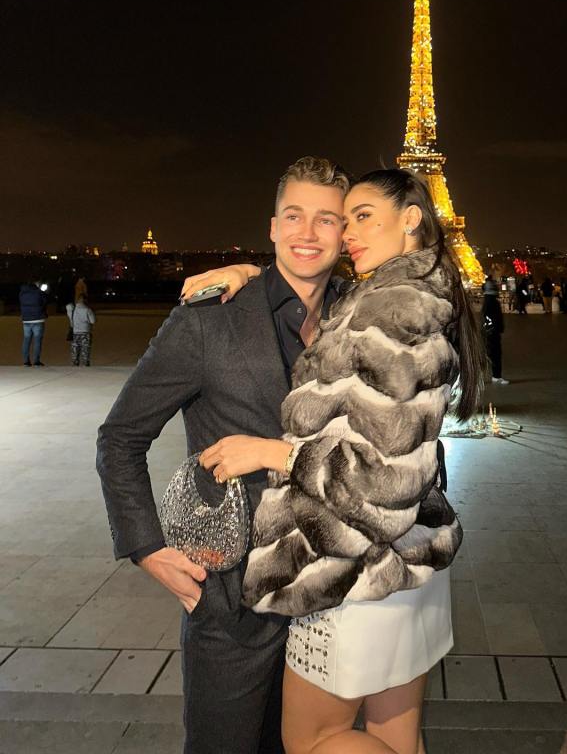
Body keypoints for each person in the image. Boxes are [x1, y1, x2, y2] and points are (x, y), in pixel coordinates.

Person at [183, 168, 484, 754]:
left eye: (363, 216)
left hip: (351, 573)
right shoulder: (413, 297)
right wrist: (253, 275)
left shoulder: (392, 314)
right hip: (404, 570)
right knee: (394, 739)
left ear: (413, 217)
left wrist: (270, 451)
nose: (347, 232)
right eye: (345, 220)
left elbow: (382, 475)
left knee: (313, 740)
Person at [97, 157, 351, 754]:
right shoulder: (208, 322)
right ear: (271, 227)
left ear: (347, 234)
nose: (308, 233)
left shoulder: (359, 320)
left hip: (333, 596)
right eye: (294, 216)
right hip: (232, 596)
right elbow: (121, 436)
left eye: (326, 220)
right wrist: (146, 548)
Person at [481, 276, 508, 384]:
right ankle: (496, 376)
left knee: (492, 354)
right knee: (494, 354)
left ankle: (496, 376)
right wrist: (492, 328)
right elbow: (488, 316)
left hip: (490, 331)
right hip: (492, 332)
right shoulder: (491, 301)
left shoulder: (488, 300)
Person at [19, 279, 47, 366]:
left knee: (26, 340)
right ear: (36, 284)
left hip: (26, 319)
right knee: (37, 340)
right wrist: (43, 292)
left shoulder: (22, 293)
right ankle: (36, 361)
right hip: (38, 318)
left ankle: (26, 361)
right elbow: (44, 302)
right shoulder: (38, 292)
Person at [66, 296, 97, 366]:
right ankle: (85, 363)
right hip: (85, 332)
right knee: (85, 350)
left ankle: (75, 363)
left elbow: (68, 307)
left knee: (75, 350)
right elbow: (93, 321)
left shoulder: (72, 309)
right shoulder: (88, 310)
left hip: (75, 332)